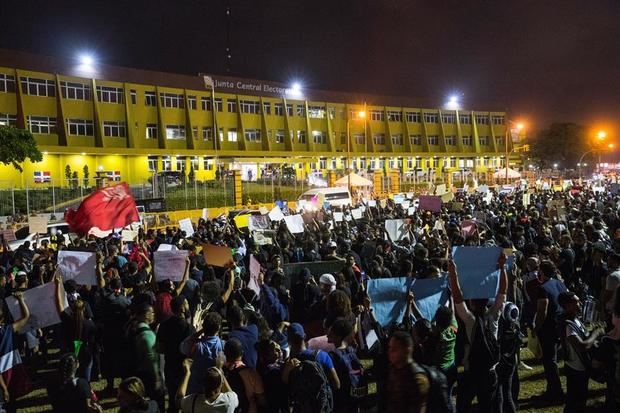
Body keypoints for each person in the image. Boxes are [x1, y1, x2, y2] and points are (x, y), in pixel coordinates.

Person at [449, 252, 507, 413]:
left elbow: (458, 297)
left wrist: (453, 273)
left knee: (463, 406)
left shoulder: (470, 321)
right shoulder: (494, 316)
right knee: (487, 406)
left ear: (472, 303)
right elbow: (502, 293)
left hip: (471, 372)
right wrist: (502, 269)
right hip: (490, 371)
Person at [558, 291, 606, 413]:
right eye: (576, 302)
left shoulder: (576, 320)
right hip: (575, 370)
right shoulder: (568, 326)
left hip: (581, 368)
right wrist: (596, 333)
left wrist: (592, 333)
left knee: (580, 400)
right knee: (574, 402)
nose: (580, 304)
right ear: (567, 305)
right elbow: (582, 346)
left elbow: (585, 338)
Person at [534, 260, 567, 401]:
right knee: (553, 359)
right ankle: (552, 388)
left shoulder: (543, 288)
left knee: (549, 360)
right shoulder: (560, 283)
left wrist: (536, 328)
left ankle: (555, 390)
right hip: (561, 325)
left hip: (548, 328)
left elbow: (542, 311)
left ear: (541, 271)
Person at [376, 331, 429, 413]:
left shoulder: (418, 379)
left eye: (394, 349)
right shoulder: (393, 367)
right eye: (389, 347)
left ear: (406, 350)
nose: (389, 352)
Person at [156, 296, 193, 413]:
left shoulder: (164, 325)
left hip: (170, 367)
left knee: (172, 399)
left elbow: (159, 348)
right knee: (185, 399)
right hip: (184, 369)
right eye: (186, 304)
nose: (188, 306)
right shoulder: (189, 328)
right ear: (182, 308)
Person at [327, 317, 365, 413]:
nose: (328, 334)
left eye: (332, 332)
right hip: (356, 399)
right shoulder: (352, 351)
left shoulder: (332, 356)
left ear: (339, 336)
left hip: (341, 403)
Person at [181, 312, 224, 395]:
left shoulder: (195, 345)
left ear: (203, 326)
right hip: (214, 391)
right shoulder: (222, 345)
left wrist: (200, 331)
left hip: (195, 391)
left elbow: (182, 347)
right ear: (218, 328)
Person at [222, 338, 266, 413]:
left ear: (225, 354)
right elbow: (261, 399)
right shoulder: (250, 373)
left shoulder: (221, 372)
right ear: (242, 353)